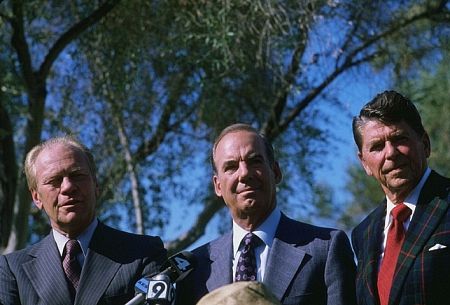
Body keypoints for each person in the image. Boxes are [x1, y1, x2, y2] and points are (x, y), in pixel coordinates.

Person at [176, 123, 356, 305]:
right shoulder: (196, 268)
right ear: (218, 186)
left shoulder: (325, 248)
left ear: (276, 172)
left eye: (255, 161)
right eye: (231, 167)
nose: (244, 173)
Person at [0, 136, 167, 305]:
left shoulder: (144, 253)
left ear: (96, 185)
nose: (68, 187)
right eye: (54, 180)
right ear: (36, 198)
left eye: (77, 175)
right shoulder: (12, 269)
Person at [351, 90, 450, 305]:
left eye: (399, 139)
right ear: (364, 163)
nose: (391, 153)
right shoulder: (363, 234)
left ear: (425, 144)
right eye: (377, 147)